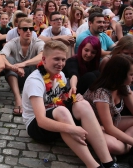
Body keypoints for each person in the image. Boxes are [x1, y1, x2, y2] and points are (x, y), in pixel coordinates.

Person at [22, 40, 118, 168]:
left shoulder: (60, 75)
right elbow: (41, 121)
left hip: (58, 115)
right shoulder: (35, 81)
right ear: (44, 60)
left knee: (82, 104)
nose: (61, 63)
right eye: (56, 59)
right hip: (37, 126)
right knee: (62, 111)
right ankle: (93, 165)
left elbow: (63, 97)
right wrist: (73, 129)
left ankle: (108, 162)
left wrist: (73, 97)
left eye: (63, 59)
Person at [84, 54, 133, 155]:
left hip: (111, 124)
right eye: (131, 74)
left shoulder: (123, 86)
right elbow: (109, 127)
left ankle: (126, 142)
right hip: (95, 127)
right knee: (113, 147)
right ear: (120, 75)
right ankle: (128, 143)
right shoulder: (101, 93)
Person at [1, 17, 45, 116]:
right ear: (19, 30)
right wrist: (14, 67)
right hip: (16, 76)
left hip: (33, 76)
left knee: (39, 63)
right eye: (25, 29)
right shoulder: (13, 42)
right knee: (9, 60)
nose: (28, 31)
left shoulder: (38, 42)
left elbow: (43, 56)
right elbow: (1, 57)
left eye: (31, 28)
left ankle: (35, 98)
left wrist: (22, 64)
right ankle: (18, 98)